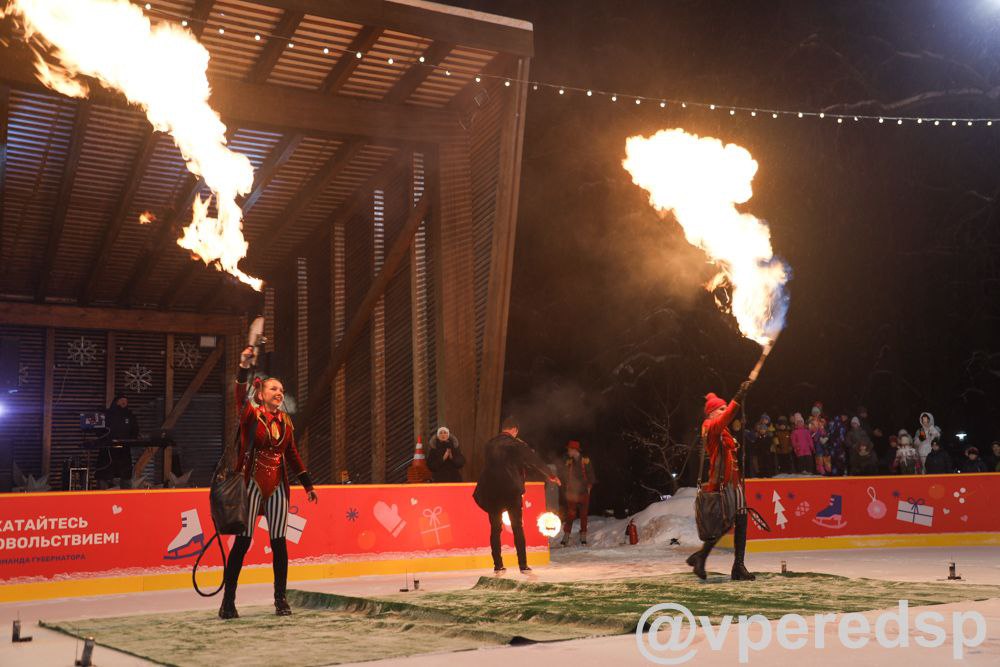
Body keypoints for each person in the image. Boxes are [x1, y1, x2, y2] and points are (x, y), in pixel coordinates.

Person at [220, 347, 318, 620]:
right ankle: (228, 602)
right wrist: (243, 366)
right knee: (243, 542)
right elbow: (240, 395)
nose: (279, 392)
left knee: (279, 544)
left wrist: (308, 485)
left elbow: (292, 454)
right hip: (250, 484)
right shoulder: (251, 414)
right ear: (261, 393)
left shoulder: (286, 421)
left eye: (281, 389)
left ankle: (280, 600)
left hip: (277, 488)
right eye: (273, 388)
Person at [685, 379, 755, 582]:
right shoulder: (710, 425)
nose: (725, 411)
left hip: (733, 483)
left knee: (738, 521)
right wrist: (738, 398)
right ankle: (706, 558)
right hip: (723, 484)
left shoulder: (721, 429)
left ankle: (734, 565)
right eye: (721, 409)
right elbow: (725, 418)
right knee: (724, 523)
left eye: (725, 407)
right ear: (712, 412)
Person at [473, 416, 559, 574]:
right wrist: (550, 475)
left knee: (495, 529)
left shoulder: (489, 444)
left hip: (492, 491)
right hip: (511, 490)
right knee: (517, 527)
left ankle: (498, 564)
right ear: (514, 430)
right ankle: (523, 564)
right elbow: (533, 459)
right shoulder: (516, 444)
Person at [95, 394, 139, 488]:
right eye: (122, 400)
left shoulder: (130, 415)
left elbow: (135, 430)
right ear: (116, 401)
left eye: (126, 401)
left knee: (125, 474)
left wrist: (131, 439)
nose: (124, 402)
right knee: (104, 474)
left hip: (124, 451)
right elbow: (99, 431)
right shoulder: (107, 414)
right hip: (108, 450)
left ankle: (126, 498)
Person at [559, 440, 596, 546]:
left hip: (583, 492)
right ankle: (566, 537)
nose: (568, 452)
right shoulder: (569, 461)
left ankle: (583, 537)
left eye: (569, 450)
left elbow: (591, 475)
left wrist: (589, 486)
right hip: (572, 492)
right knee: (570, 515)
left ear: (574, 450)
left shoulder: (585, 461)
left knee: (583, 515)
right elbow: (565, 475)